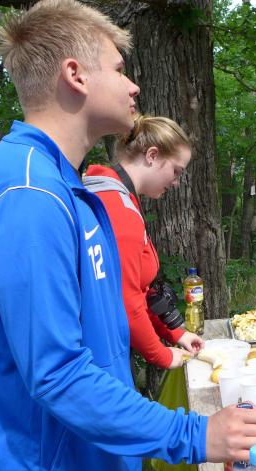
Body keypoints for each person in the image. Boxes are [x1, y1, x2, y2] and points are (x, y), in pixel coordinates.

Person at [0, 1, 256, 471]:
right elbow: (58, 374)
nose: (134, 86)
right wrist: (194, 434)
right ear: (75, 75)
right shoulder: (28, 194)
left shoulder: (64, 186)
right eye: (120, 69)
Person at [83, 114, 202, 369]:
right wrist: (161, 355)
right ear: (152, 155)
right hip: (99, 354)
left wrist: (175, 333)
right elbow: (127, 300)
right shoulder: (117, 208)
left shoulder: (119, 197)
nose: (176, 182)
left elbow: (140, 290)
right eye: (176, 171)